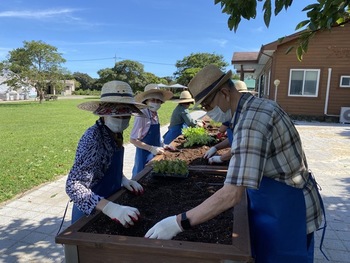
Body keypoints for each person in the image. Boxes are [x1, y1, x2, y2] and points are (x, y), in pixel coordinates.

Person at [145, 65, 326, 263]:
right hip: (278, 201)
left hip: (288, 213)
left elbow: (232, 193)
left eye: (208, 106)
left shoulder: (251, 122)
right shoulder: (258, 107)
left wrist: (179, 222)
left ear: (224, 93)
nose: (208, 113)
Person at [66, 80, 145, 226]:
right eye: (117, 116)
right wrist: (110, 208)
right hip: (91, 211)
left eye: (126, 116)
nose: (121, 121)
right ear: (104, 114)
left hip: (112, 198)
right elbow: (73, 185)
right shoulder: (93, 137)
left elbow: (105, 165)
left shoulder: (115, 133)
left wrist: (123, 179)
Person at [130, 84, 173, 179]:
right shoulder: (142, 115)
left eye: (158, 101)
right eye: (152, 100)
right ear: (146, 101)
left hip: (155, 152)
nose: (156, 103)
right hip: (145, 153)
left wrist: (163, 144)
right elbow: (133, 140)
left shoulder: (154, 114)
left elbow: (156, 134)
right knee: (141, 176)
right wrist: (151, 148)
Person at [204, 80, 251, 165]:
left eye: (208, 105)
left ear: (226, 94)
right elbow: (234, 140)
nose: (209, 110)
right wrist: (215, 147)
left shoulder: (249, 119)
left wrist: (221, 158)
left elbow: (240, 147)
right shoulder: (236, 115)